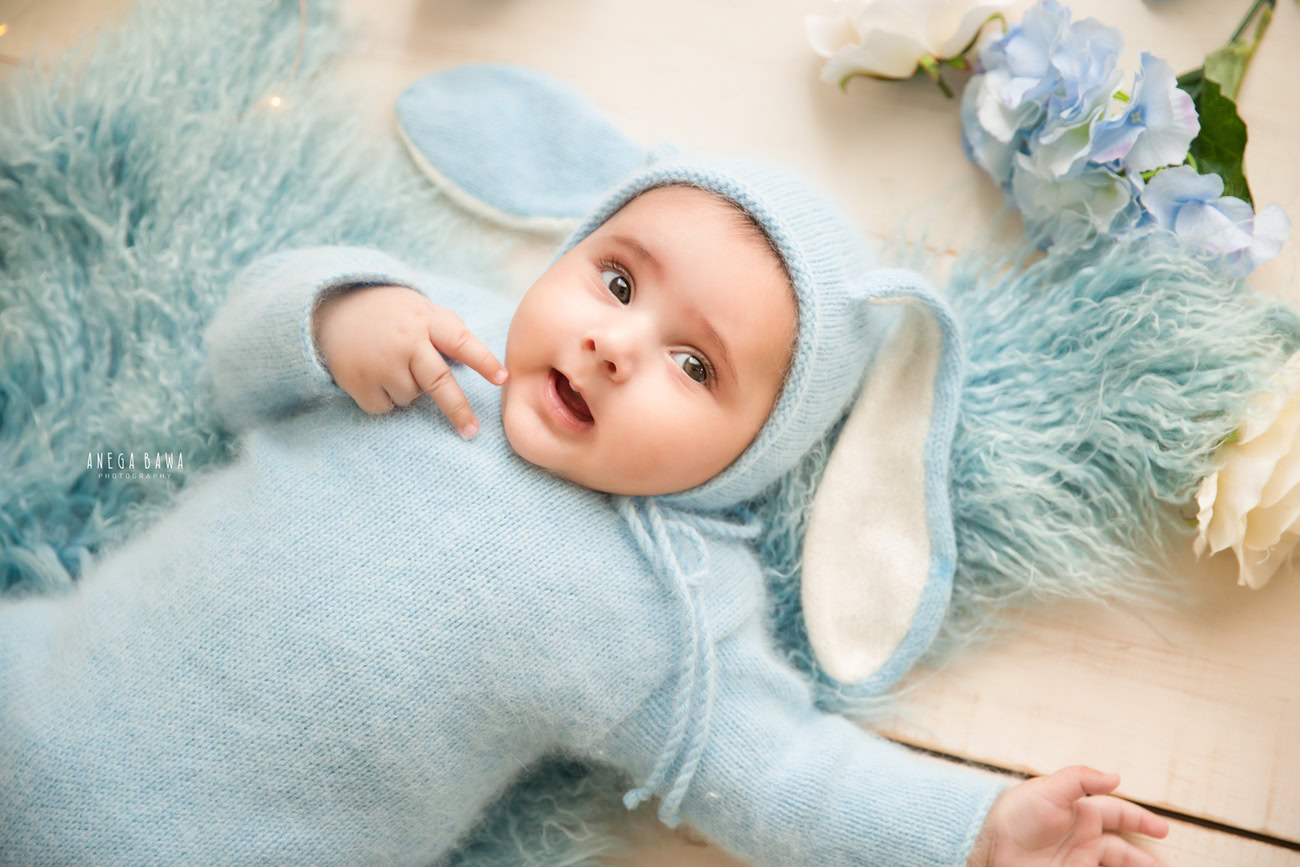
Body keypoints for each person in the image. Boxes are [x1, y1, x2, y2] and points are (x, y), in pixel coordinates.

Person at [0, 155, 1170, 867]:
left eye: (695, 367)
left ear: (753, 454)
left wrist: (970, 833)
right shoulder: (441, 335)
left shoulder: (665, 603)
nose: (614, 346)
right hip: (38, 691)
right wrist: (337, 315)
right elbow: (233, 364)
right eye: (615, 280)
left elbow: (787, 780)